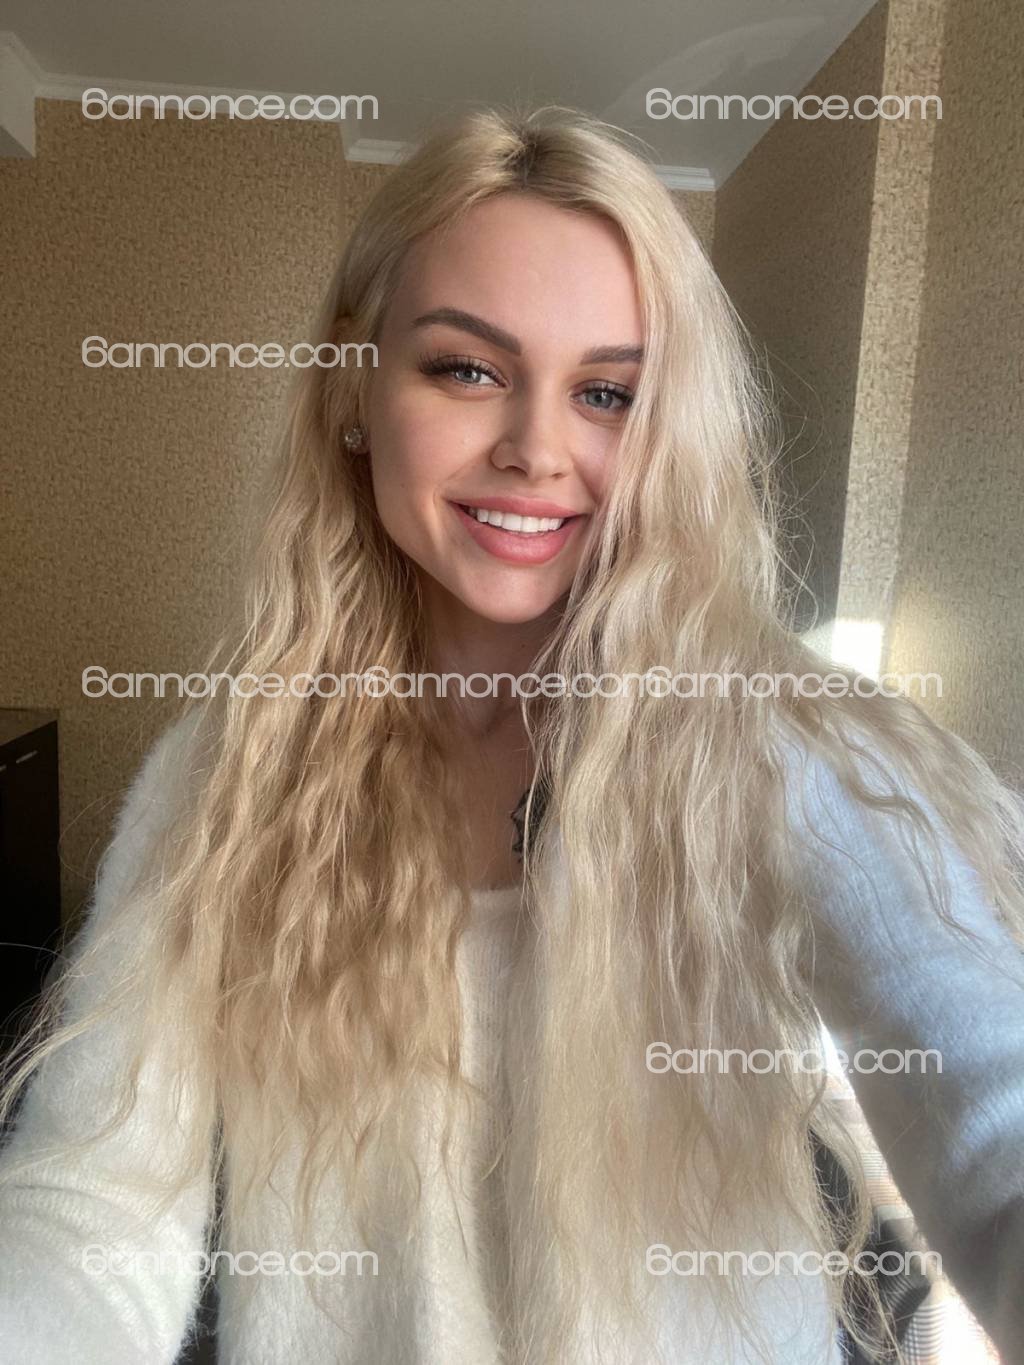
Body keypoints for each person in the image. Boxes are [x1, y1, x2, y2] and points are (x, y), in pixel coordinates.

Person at [1, 105, 1022, 1365]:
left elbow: (994, 1108)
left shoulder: (782, 747)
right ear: (354, 389)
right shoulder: (226, 775)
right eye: (466, 369)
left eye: (607, 393)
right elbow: (93, 1203)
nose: (538, 449)